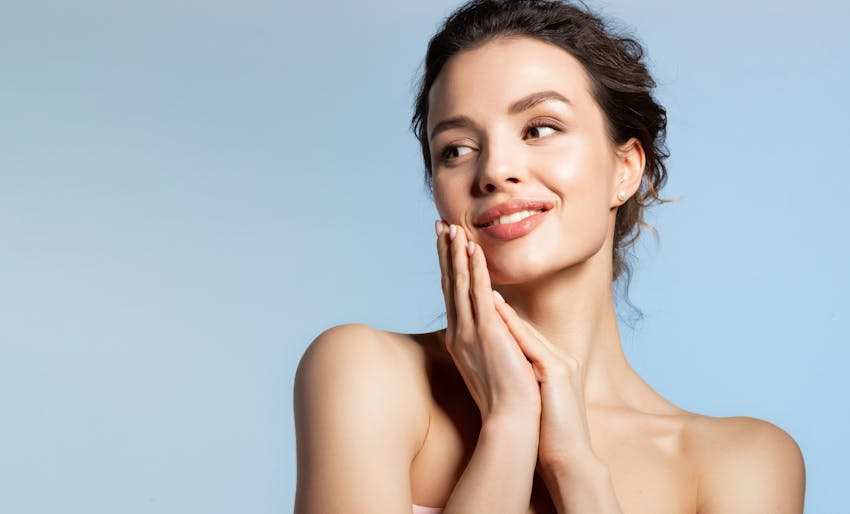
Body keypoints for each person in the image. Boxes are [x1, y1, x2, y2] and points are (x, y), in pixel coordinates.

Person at [293, 0, 806, 512]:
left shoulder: (743, 463)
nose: (495, 169)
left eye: (540, 129)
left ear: (625, 169)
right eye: (456, 148)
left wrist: (576, 469)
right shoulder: (367, 374)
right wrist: (509, 425)